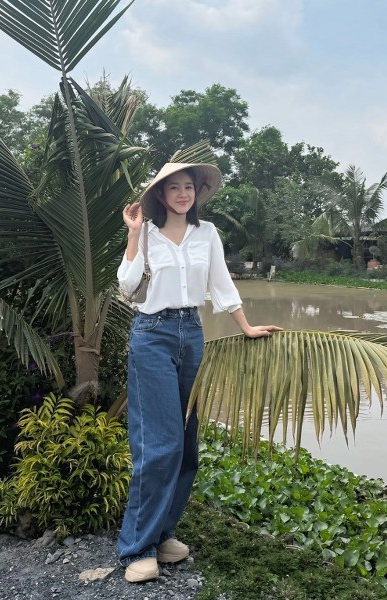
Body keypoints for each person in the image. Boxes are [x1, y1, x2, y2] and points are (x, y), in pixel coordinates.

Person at [117, 161, 281, 583]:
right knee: (160, 444)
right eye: (173, 187)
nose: (182, 194)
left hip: (192, 333)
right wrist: (133, 234)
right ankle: (137, 546)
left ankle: (163, 533)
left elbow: (222, 283)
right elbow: (127, 286)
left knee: (187, 443)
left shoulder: (207, 233)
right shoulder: (146, 234)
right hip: (151, 333)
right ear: (161, 194)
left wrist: (245, 326)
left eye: (188, 187)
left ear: (197, 192)